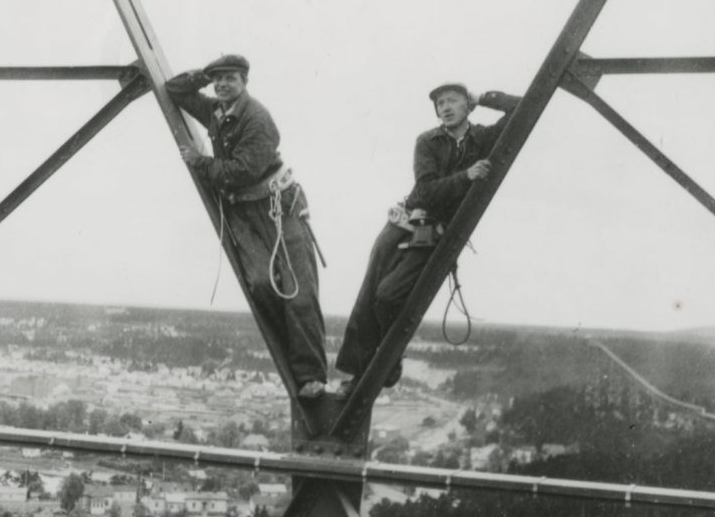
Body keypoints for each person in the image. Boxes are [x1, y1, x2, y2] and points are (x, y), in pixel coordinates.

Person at [334, 83, 521, 399]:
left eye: (453, 101)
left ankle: (388, 361)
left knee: (388, 296)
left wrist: (483, 98)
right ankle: (358, 376)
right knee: (368, 298)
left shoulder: (483, 139)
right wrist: (466, 177)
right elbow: (424, 192)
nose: (445, 108)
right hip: (405, 222)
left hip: (434, 235)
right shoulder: (427, 142)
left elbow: (521, 107)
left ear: (467, 106)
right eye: (440, 104)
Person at [166, 54, 327, 399]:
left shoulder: (257, 118)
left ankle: (311, 376)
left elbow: (241, 171)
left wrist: (201, 163)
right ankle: (291, 354)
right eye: (218, 79)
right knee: (260, 284)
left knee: (298, 291)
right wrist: (202, 76)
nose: (223, 84)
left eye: (231, 78)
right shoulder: (216, 111)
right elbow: (174, 89)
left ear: (244, 82)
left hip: (279, 207)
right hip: (243, 213)